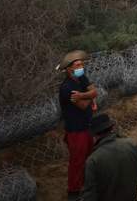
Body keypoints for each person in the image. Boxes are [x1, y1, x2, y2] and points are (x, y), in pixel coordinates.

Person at [82, 113, 137, 201]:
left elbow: (89, 194)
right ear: (111, 128)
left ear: (94, 136)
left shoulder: (93, 160)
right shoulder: (133, 145)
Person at [58, 50, 97, 200]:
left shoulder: (81, 78)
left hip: (86, 126)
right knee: (77, 161)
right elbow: (83, 105)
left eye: (82, 64)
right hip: (75, 130)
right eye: (77, 65)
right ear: (69, 69)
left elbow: (94, 92)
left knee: (89, 157)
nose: (81, 67)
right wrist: (90, 96)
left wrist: (83, 95)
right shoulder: (66, 87)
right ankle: (73, 192)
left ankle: (86, 185)